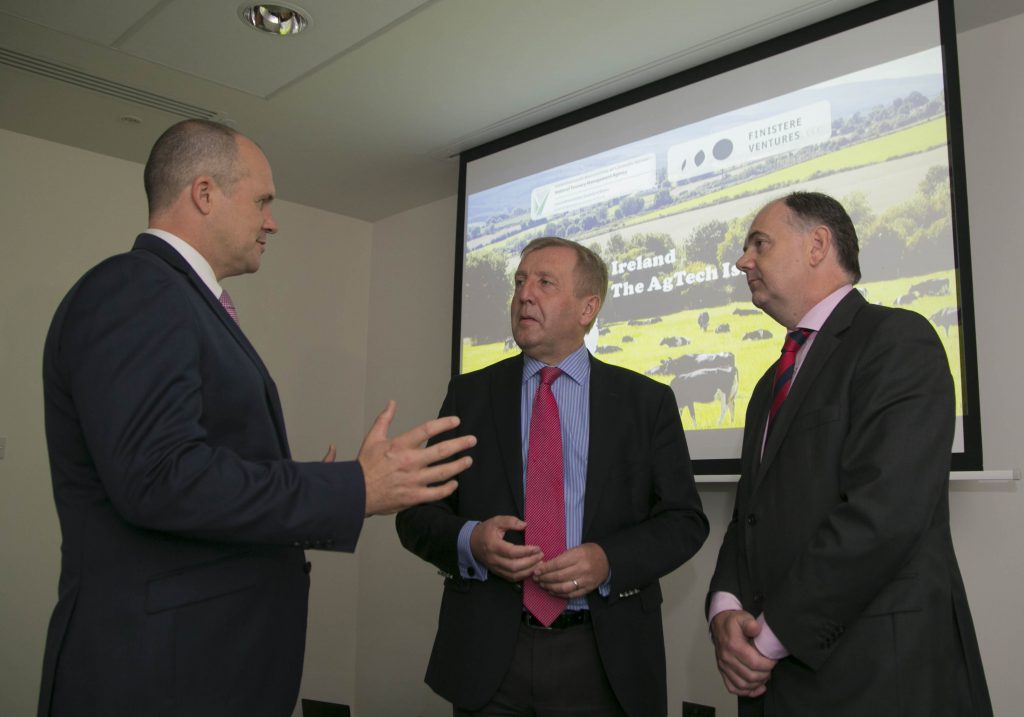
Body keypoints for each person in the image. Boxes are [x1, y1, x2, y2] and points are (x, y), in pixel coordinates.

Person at [38, 119, 476, 717]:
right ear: (204, 194)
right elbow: (158, 478)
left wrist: (314, 489)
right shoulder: (136, 288)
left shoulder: (176, 299)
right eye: (263, 200)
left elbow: (190, 470)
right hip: (162, 675)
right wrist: (352, 488)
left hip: (198, 666)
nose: (272, 221)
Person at [396, 237, 709, 716]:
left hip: (604, 655)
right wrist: (472, 541)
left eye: (545, 283)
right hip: (490, 656)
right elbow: (416, 515)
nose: (525, 294)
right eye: (520, 281)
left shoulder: (646, 403)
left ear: (588, 308)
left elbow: (685, 520)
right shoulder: (469, 396)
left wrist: (608, 560)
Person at [707, 192, 992, 716]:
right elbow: (750, 514)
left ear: (818, 244)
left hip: (875, 679)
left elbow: (885, 512)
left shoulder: (897, 340)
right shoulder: (769, 383)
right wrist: (724, 610)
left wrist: (769, 639)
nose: (743, 260)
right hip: (774, 685)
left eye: (759, 244)